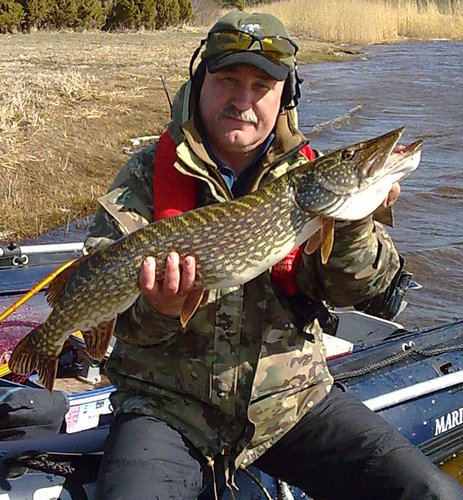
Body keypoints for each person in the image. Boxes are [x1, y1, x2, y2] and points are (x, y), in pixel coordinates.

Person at [85, 11, 463, 500]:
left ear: (284, 97)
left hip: (290, 402)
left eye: (261, 86)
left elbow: (358, 289)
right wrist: (159, 310)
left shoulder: (309, 181)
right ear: (200, 84)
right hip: (165, 408)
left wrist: (353, 220)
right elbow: (105, 311)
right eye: (228, 80)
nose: (243, 101)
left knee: (432, 491)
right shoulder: (143, 177)